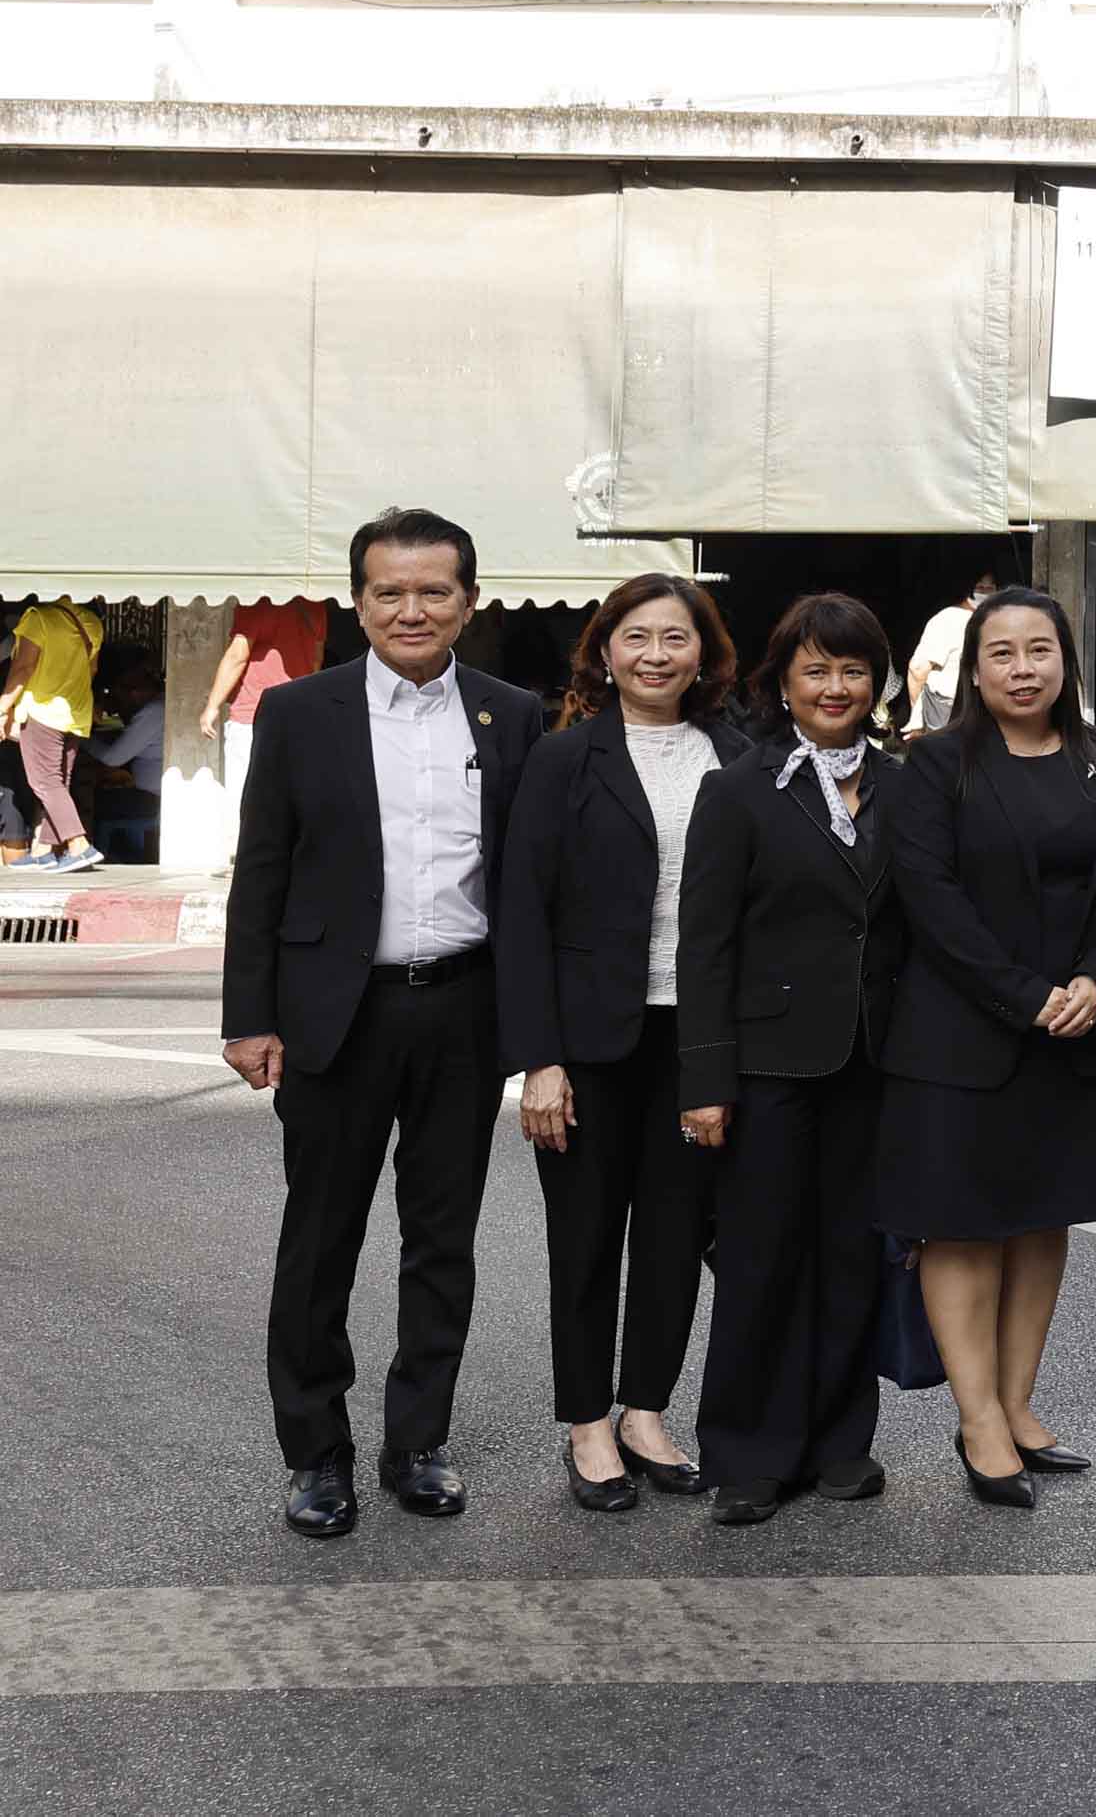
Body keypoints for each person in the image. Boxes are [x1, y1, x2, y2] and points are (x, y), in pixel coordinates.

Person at [221, 509, 544, 1538]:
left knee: (442, 1241)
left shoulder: (512, 714)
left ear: (468, 601)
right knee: (320, 1243)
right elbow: (262, 868)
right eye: (389, 591)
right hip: (336, 1013)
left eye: (433, 590)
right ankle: (316, 1452)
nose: (412, 609)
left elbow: (529, 882)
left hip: (463, 1007)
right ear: (357, 602)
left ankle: (418, 1442)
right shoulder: (299, 712)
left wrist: (538, 1035)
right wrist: (249, 1015)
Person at [872, 585, 1096, 1510]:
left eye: (1040, 650)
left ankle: (1019, 1405)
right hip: (960, 1034)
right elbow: (929, 898)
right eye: (1003, 654)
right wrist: (1026, 996)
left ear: (1066, 660)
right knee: (964, 1225)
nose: (1024, 669)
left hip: (1077, 1034)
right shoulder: (936, 764)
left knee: (1041, 1218)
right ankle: (978, 1417)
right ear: (973, 671)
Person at [495, 572, 748, 1511]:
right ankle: (587, 1424)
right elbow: (523, 913)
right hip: (589, 1040)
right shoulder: (564, 759)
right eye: (636, 636)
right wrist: (539, 1060)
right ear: (604, 651)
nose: (655, 654)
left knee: (677, 1235)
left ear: (703, 653)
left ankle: (645, 1411)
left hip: (699, 1036)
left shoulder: (738, 754)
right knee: (587, 1237)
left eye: (675, 637)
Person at [677, 594, 902, 1528]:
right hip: (767, 1060)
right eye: (816, 669)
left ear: (878, 682)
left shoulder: (905, 785)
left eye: (853, 669)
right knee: (761, 1258)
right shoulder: (738, 788)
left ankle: (841, 1439)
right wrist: (705, 1081)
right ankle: (748, 1454)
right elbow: (704, 945)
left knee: (854, 1254)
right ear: (783, 681)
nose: (835, 686)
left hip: (875, 1059)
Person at [2, 594, 107, 872]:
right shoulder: (92, 622)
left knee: (45, 782)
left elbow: (23, 667)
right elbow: (92, 669)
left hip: (43, 711)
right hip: (76, 712)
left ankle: (79, 845)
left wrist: (2, 707)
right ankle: (43, 849)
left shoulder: (38, 618)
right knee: (58, 782)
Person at [203, 594, 337, 804]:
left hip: (253, 714)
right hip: (297, 716)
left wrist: (212, 706)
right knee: (287, 798)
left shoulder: (256, 602)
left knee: (245, 799)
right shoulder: (315, 605)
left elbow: (237, 656)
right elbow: (316, 658)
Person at [79, 647, 169, 864]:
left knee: (91, 800)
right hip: (150, 793)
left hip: (152, 798)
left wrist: (81, 737)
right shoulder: (159, 706)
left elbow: (113, 758)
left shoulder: (152, 713)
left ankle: (98, 853)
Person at [901, 569, 998, 737]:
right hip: (945, 709)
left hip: (979, 708)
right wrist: (918, 715)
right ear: (968, 589)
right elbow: (918, 668)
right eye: (980, 588)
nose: (985, 593)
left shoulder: (992, 622)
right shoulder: (948, 619)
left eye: (990, 588)